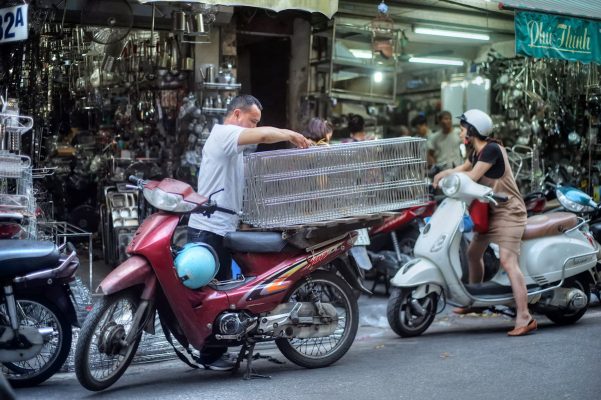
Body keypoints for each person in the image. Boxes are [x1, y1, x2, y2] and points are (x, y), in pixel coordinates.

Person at [187, 94, 310, 370]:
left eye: (257, 124)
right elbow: (266, 136)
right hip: (209, 231)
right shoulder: (223, 135)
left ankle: (213, 351)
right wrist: (290, 134)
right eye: (252, 122)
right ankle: (210, 354)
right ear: (237, 115)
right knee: (210, 297)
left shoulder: (235, 149)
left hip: (222, 229)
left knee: (222, 294)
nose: (254, 129)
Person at [432, 109, 535, 337]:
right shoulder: (476, 152)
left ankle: (525, 316)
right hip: (489, 210)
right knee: (472, 253)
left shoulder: (491, 149)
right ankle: (474, 302)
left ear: (472, 130)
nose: (460, 133)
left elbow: (472, 176)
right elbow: (462, 170)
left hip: (509, 211)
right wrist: (440, 175)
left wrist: (450, 179)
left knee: (508, 262)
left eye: (462, 129)